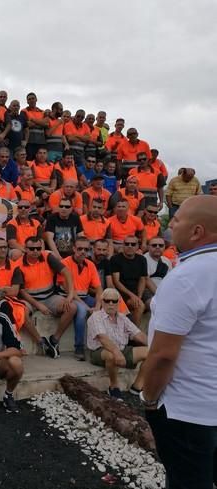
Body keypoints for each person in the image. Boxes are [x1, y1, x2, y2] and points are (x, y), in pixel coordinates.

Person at [141, 195, 217, 489]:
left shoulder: (187, 276)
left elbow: (163, 356)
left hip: (187, 410)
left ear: (197, 231)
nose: (170, 224)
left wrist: (149, 398)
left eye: (176, 219)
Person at [17, 236, 77, 359]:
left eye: (38, 248)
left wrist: (70, 295)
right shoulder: (18, 265)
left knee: (72, 307)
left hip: (50, 297)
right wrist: (38, 305)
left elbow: (66, 272)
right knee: (21, 312)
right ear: (25, 249)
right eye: (32, 249)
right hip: (30, 299)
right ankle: (41, 342)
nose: (35, 251)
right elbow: (21, 291)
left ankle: (55, 339)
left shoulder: (48, 257)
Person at [87, 288, 148, 399]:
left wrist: (156, 345)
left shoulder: (123, 318)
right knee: (111, 355)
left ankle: (137, 387)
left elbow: (139, 335)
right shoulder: (95, 317)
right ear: (102, 301)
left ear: (118, 302)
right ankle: (113, 386)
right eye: (107, 300)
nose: (111, 303)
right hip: (99, 351)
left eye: (114, 301)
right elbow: (103, 339)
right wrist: (117, 353)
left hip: (122, 349)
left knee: (151, 352)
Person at [58, 237, 103, 360]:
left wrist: (98, 306)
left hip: (85, 296)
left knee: (109, 305)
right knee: (82, 311)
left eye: (86, 249)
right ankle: (79, 347)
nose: (83, 252)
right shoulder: (65, 263)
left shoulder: (91, 265)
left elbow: (99, 289)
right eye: (80, 249)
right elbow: (67, 289)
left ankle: (107, 343)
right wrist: (87, 306)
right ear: (73, 249)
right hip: (69, 296)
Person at [109, 235, 147, 326]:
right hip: (122, 293)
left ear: (138, 246)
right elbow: (116, 282)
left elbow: (143, 279)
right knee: (140, 305)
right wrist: (133, 296)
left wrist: (139, 296)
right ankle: (135, 334)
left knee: (150, 303)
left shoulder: (142, 259)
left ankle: (133, 334)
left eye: (133, 244)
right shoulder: (115, 259)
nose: (130, 246)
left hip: (136, 292)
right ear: (123, 245)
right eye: (127, 244)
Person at [143, 236, 171, 307]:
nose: (157, 247)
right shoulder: (143, 260)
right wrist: (160, 295)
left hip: (164, 290)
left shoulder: (167, 261)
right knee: (157, 306)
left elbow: (170, 279)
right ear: (148, 247)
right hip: (147, 291)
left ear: (164, 247)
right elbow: (146, 280)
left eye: (161, 245)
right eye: (154, 245)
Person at [21, 92, 48, 159]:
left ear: (36, 99)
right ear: (27, 101)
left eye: (33, 98)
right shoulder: (23, 111)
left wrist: (33, 120)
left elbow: (46, 124)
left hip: (41, 142)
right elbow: (26, 124)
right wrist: (40, 122)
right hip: (29, 142)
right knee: (29, 161)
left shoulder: (42, 112)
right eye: (29, 99)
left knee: (40, 162)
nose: (31, 100)